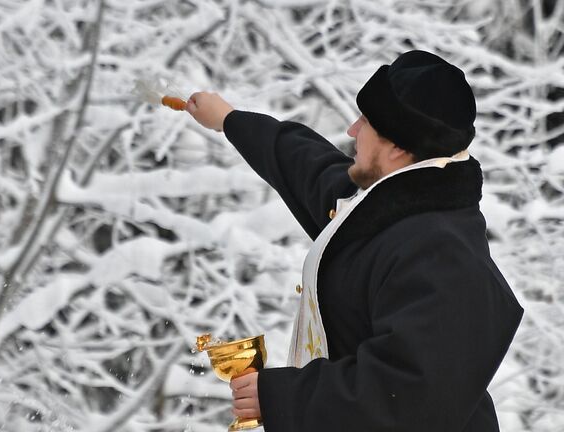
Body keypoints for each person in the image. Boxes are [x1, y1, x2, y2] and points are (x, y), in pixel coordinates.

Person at [185, 50, 523, 431]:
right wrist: (230, 120)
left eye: (366, 122)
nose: (351, 130)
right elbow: (310, 169)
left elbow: (409, 396)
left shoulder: (443, 255)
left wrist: (280, 397)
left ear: (397, 148)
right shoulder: (394, 207)